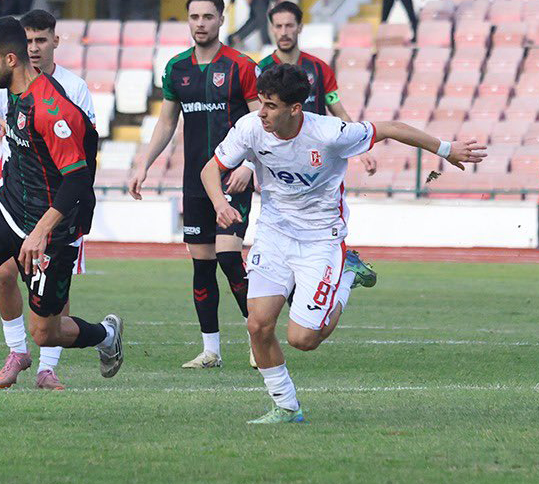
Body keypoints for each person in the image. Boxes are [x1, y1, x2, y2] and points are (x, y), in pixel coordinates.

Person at [201, 64, 485, 423]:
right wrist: (220, 204)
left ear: (294, 109)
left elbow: (392, 129)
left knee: (303, 339)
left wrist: (445, 149)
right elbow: (210, 169)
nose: (263, 113)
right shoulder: (251, 128)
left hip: (321, 240)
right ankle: (286, 406)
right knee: (258, 325)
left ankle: (347, 274)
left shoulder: (330, 133)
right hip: (274, 234)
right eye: (261, 103)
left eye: (271, 106)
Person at [0, 17, 123, 413]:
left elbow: (78, 180)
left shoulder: (53, 108)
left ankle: (105, 335)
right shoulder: (6, 90)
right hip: (8, 206)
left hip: (53, 226)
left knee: (46, 333)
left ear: (9, 59)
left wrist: (41, 232)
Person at [0, 9, 95, 391]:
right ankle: (17, 351)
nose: (34, 48)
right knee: (2, 273)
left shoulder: (71, 90)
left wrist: (68, 216)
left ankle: (48, 364)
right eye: (27, 40)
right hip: (13, 198)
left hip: (58, 205)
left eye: (40, 40)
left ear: (54, 41)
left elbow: (81, 160)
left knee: (48, 308)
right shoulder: (2, 87)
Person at [128, 0, 259, 369]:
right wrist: (144, 163)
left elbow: (258, 122)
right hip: (195, 181)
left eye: (208, 17)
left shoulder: (241, 66)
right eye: (194, 17)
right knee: (202, 265)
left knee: (229, 257)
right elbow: (168, 121)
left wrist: (249, 166)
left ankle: (258, 336)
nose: (200, 23)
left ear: (221, 21)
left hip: (233, 178)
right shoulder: (176, 68)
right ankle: (211, 351)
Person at [255, 1, 379, 293]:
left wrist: (361, 150)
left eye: (289, 25)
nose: (284, 32)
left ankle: (336, 264)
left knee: (318, 224)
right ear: (271, 29)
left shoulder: (319, 69)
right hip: (279, 163)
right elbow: (254, 119)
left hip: (316, 163)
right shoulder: (262, 69)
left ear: (300, 27)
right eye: (278, 26)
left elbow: (336, 108)